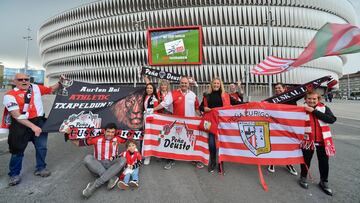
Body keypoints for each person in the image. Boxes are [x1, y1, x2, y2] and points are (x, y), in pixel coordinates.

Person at [3, 73, 62, 186]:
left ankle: (41, 168)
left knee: (42, 147)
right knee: (17, 150)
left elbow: (50, 89)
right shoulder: (9, 95)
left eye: (26, 79)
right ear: (14, 81)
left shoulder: (36, 88)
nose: (24, 81)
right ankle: (14, 174)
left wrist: (60, 82)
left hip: (39, 121)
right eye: (20, 79)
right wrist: (33, 127)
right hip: (20, 124)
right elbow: (16, 116)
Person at [153, 76, 202, 170]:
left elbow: (196, 108)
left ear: (188, 84)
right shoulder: (173, 93)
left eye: (185, 83)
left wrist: (201, 116)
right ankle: (171, 160)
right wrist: (153, 110)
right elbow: (164, 104)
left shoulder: (193, 95)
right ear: (180, 83)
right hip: (177, 123)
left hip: (190, 124)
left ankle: (194, 159)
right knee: (174, 141)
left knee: (190, 141)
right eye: (182, 83)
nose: (184, 84)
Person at [200, 77, 243, 173]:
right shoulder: (207, 96)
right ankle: (213, 162)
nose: (216, 85)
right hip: (211, 122)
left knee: (222, 144)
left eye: (217, 83)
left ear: (220, 85)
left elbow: (237, 103)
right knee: (212, 144)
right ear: (212, 84)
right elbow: (200, 107)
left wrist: (250, 104)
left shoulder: (225, 95)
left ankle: (221, 163)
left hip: (222, 123)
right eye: (214, 83)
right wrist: (204, 108)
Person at [71, 123, 127, 198]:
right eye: (108, 131)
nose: (110, 134)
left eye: (112, 132)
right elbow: (78, 143)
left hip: (111, 163)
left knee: (123, 160)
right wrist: (68, 134)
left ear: (115, 132)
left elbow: (132, 137)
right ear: (104, 131)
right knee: (87, 158)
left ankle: (94, 185)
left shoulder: (118, 138)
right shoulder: (96, 139)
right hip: (99, 164)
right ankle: (110, 177)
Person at [298, 91, 336, 196]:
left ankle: (324, 181)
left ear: (318, 99)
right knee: (306, 161)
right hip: (307, 141)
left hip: (323, 141)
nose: (311, 101)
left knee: (324, 163)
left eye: (314, 99)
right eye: (309, 99)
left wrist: (314, 111)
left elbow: (332, 120)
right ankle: (303, 177)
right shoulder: (300, 109)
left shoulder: (324, 108)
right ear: (305, 99)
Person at [267, 83, 299, 175]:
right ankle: (272, 162)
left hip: (289, 126)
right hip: (276, 126)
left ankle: (289, 163)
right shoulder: (272, 100)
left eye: (279, 88)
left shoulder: (291, 96)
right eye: (276, 88)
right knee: (274, 144)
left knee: (288, 145)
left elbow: (302, 91)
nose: (277, 90)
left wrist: (289, 90)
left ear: (284, 88)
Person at [141, 83, 159, 165]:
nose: (149, 89)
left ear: (153, 89)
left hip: (151, 120)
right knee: (145, 137)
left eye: (151, 88)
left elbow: (155, 111)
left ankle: (148, 156)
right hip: (145, 118)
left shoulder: (154, 98)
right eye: (147, 88)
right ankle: (145, 154)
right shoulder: (145, 97)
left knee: (149, 137)